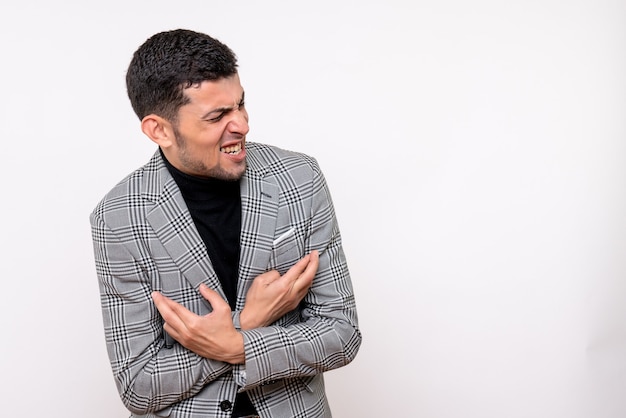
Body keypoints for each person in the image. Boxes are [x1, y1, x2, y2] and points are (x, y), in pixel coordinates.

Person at [90, 28, 361, 418]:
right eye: (218, 115)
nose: (242, 125)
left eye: (240, 104)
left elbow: (341, 334)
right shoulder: (117, 218)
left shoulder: (300, 178)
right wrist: (249, 321)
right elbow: (139, 385)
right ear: (159, 130)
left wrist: (237, 344)